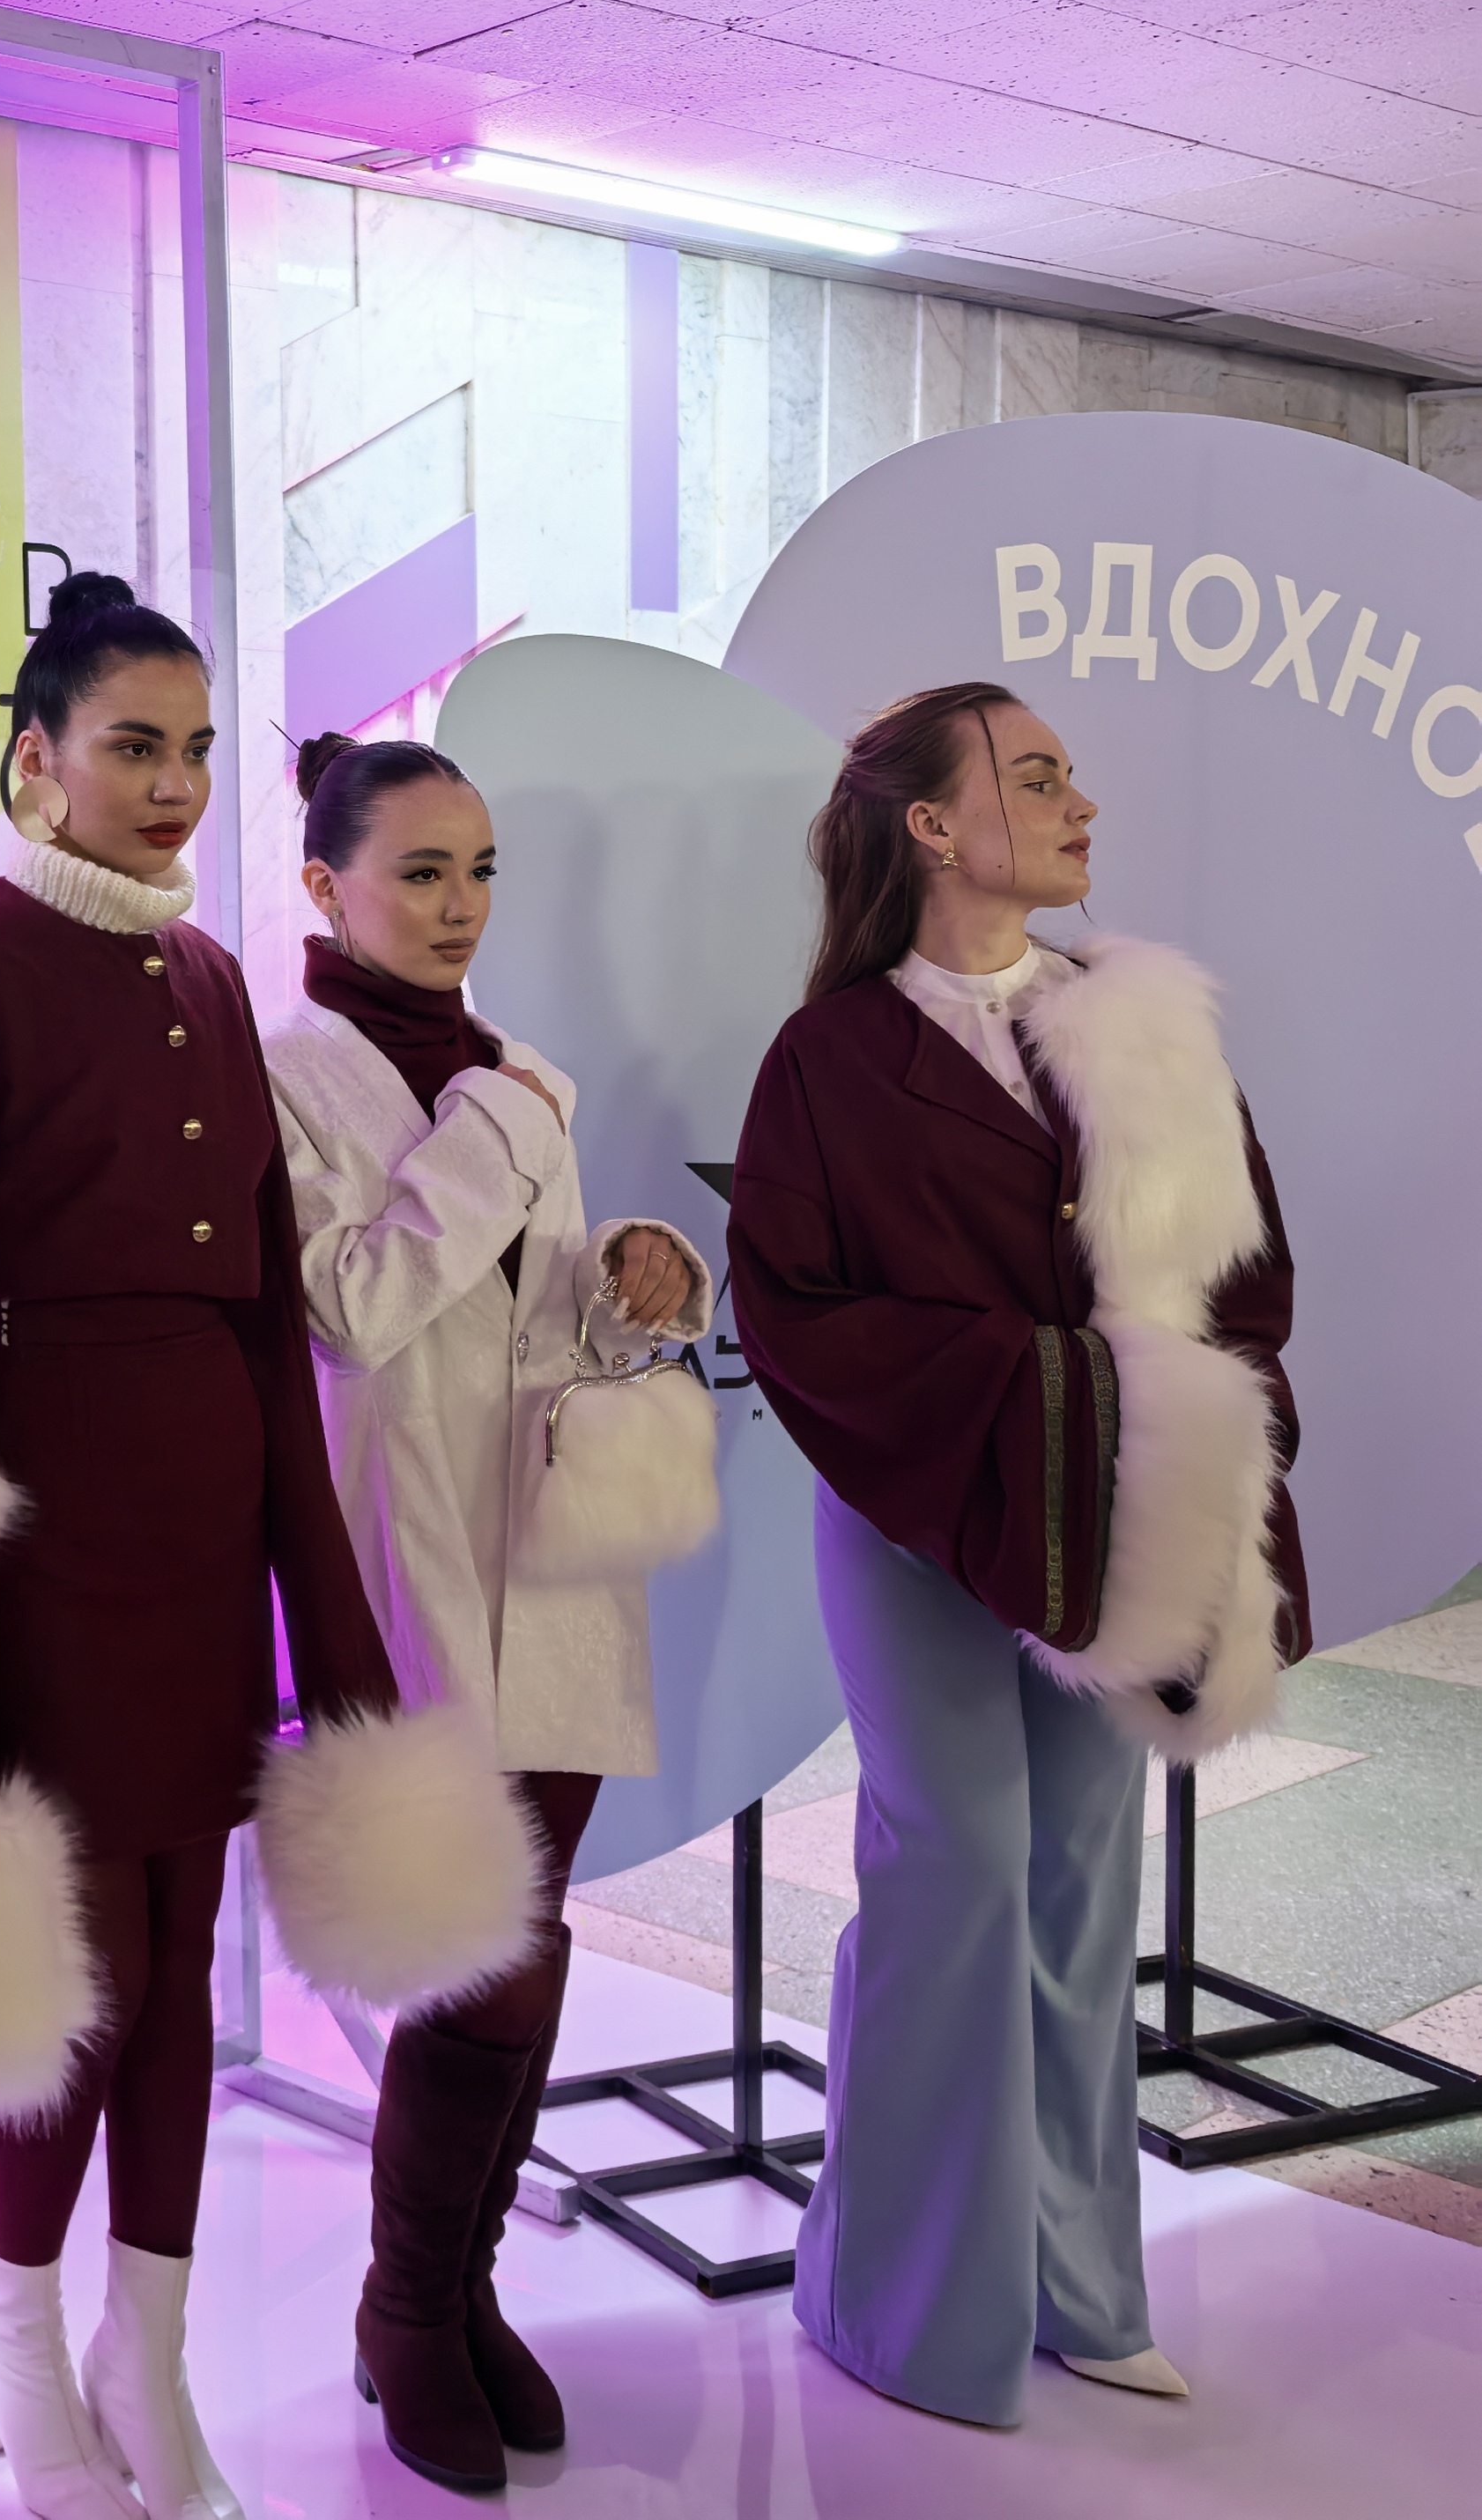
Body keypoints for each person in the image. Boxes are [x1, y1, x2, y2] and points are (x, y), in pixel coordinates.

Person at [0, 574, 540, 2520]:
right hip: (38, 1510)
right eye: (132, 746)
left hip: (205, 1511)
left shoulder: (214, 977)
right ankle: (13, 2340)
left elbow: (258, 1316)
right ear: (37, 760)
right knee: (76, 1956)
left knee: (180, 1951)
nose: (171, 784)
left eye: (195, 750)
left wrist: (325, 1608)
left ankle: (139, 2354)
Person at [727, 681, 1308, 2430]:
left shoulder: (1143, 1029)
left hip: (1111, 1522)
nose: (1079, 803)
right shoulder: (830, 1057)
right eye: (1036, 776)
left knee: (1080, 1878)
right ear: (929, 824)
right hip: (912, 1513)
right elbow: (796, 1312)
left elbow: (1243, 1283)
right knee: (957, 1865)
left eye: (1070, 777)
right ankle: (898, 2301)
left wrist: (1177, 1433)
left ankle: (1077, 2283)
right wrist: (1041, 1392)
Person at [263, 733, 720, 2492]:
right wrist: (500, 1135)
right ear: (326, 886)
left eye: (479, 872)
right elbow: (351, 1312)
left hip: (555, 1546)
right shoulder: (289, 1074)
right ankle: (403, 2307)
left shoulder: (514, 1074)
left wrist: (635, 1286)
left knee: (532, 1928)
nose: (460, 907)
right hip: (412, 1550)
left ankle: (460, 2289)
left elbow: (542, 1326)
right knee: (479, 1944)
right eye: (420, 873)